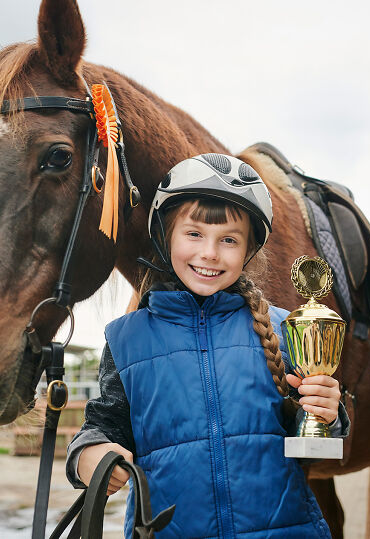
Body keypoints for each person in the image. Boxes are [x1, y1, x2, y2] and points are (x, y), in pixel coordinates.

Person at [66, 154, 349, 538]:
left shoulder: (284, 330)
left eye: (229, 240)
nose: (210, 253)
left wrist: (328, 416)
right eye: (194, 234)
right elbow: (103, 426)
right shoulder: (126, 339)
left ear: (248, 251)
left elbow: (307, 441)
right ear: (166, 236)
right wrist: (88, 457)